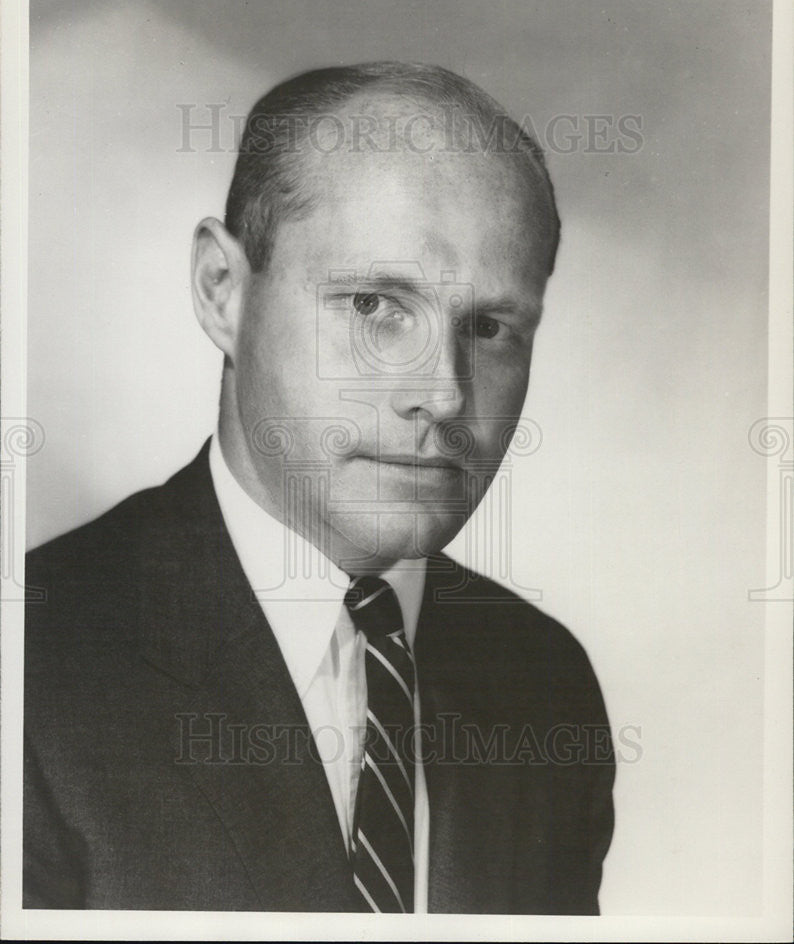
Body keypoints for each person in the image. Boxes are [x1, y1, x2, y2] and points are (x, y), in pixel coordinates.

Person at [24, 62, 615, 914]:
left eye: (488, 327)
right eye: (374, 305)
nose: (443, 393)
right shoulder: (37, 672)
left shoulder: (543, 682)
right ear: (221, 292)